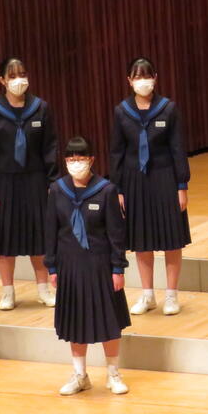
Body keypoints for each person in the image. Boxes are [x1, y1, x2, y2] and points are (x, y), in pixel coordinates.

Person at [45, 137, 131, 396]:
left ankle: (113, 374)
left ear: (91, 160)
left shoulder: (106, 190)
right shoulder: (57, 190)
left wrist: (118, 268)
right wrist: (52, 267)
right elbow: (51, 231)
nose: (75, 163)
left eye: (80, 159)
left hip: (100, 265)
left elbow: (116, 234)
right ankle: (80, 375)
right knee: (75, 321)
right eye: (71, 159)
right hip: (70, 266)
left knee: (108, 321)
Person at [110, 57, 191, 316]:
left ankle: (171, 295)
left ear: (155, 78)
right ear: (129, 81)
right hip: (134, 180)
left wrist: (181, 185)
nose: (142, 81)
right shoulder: (122, 111)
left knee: (171, 239)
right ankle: (148, 295)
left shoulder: (168, 109)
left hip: (165, 177)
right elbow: (117, 152)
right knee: (142, 240)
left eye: (147, 76)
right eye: (137, 76)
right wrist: (118, 189)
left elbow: (178, 148)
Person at [0, 57, 58, 310]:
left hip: (35, 180)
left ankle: (43, 290)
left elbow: (50, 148)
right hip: (5, 182)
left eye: (22, 74)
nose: (18, 80)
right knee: (5, 240)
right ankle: (8, 292)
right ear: (2, 80)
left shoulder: (40, 108)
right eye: (12, 76)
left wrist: (52, 181)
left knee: (39, 237)